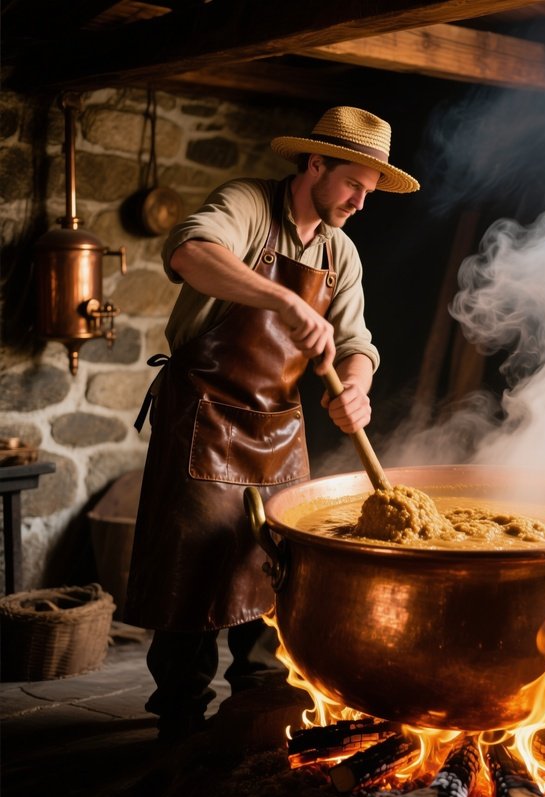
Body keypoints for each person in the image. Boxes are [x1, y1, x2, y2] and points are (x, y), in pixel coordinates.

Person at [124, 106, 420, 741]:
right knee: (195, 569)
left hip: (279, 428)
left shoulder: (341, 250)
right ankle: (180, 718)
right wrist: (281, 297)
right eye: (352, 185)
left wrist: (358, 391)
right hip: (204, 412)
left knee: (277, 564)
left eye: (369, 193)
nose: (360, 203)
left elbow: (356, 344)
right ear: (314, 163)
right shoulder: (248, 205)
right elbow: (191, 252)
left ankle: (256, 706)